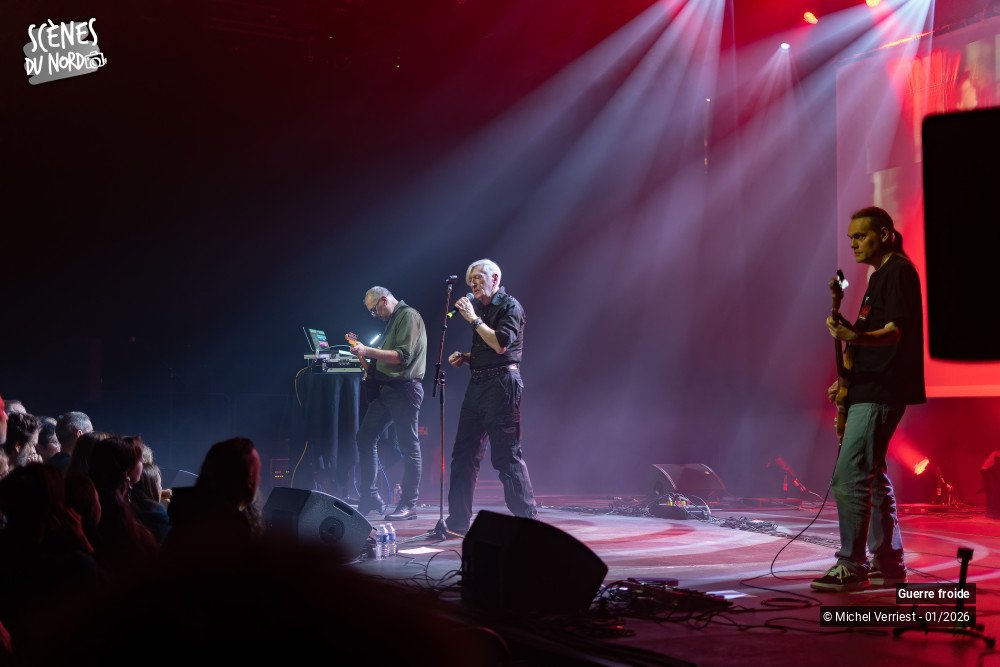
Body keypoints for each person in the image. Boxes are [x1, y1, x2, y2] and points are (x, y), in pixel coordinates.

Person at [812, 207, 925, 592]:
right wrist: (846, 377)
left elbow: (895, 332)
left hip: (882, 390)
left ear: (886, 234)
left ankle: (852, 564)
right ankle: (888, 563)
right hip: (868, 387)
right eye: (851, 239)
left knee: (849, 477)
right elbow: (866, 335)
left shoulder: (898, 272)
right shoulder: (879, 277)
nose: (854, 244)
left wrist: (854, 338)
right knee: (872, 475)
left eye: (861, 236)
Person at [445, 259, 537, 535]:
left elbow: (501, 345)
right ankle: (457, 523)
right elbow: (487, 349)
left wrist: (473, 319)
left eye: (477, 277)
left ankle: (528, 524)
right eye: (470, 280)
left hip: (502, 385)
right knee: (463, 454)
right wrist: (466, 357)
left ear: (494, 278)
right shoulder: (482, 308)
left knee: (506, 456)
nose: (473, 283)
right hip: (478, 384)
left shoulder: (510, 306)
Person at [349, 287, 426, 520]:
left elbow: (401, 356)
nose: (375, 315)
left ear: (383, 300)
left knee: (409, 446)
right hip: (388, 390)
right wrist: (363, 355)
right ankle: (370, 496)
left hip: (404, 389)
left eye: (374, 310)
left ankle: (408, 504)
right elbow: (384, 360)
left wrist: (367, 350)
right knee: (365, 437)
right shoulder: (394, 320)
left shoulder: (408, 315)